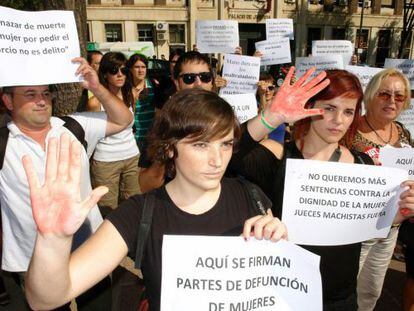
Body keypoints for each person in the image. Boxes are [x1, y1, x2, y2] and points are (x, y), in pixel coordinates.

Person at [23, 89, 287, 311]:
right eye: (200, 145)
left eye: (225, 144)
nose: (217, 160)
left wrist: (281, 244)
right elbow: (45, 299)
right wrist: (53, 240)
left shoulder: (251, 196)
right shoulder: (138, 214)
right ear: (170, 147)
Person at [228, 68, 414, 310]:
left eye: (348, 112)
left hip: (341, 296)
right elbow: (228, 155)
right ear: (309, 107)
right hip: (285, 291)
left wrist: (395, 213)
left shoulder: (363, 164)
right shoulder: (278, 157)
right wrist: (271, 116)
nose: (339, 121)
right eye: (329, 108)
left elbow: (362, 225)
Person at [0, 57, 133, 309]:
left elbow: (123, 120)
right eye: (30, 94)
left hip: (89, 253)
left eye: (46, 93)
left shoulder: (73, 126)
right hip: (34, 262)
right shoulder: (4, 144)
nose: (41, 100)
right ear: (8, 101)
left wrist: (96, 86)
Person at [351, 68, 413, 311]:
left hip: (389, 230)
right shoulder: (350, 131)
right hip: (354, 229)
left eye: (399, 96)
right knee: (342, 290)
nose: (392, 101)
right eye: (384, 94)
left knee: (370, 292)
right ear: (371, 95)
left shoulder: (402, 132)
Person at [87, 52, 140, 216]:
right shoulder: (95, 103)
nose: (119, 74)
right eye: (114, 70)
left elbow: (130, 125)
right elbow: (92, 135)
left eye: (124, 70)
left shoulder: (130, 95)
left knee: (134, 206)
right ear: (104, 73)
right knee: (107, 211)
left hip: (131, 156)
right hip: (106, 162)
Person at [256, 72, 287, 143]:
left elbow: (286, 128)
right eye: (264, 88)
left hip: (280, 151)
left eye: (270, 88)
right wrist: (262, 95)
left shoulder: (279, 105)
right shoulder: (254, 104)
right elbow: (262, 123)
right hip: (263, 151)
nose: (267, 91)